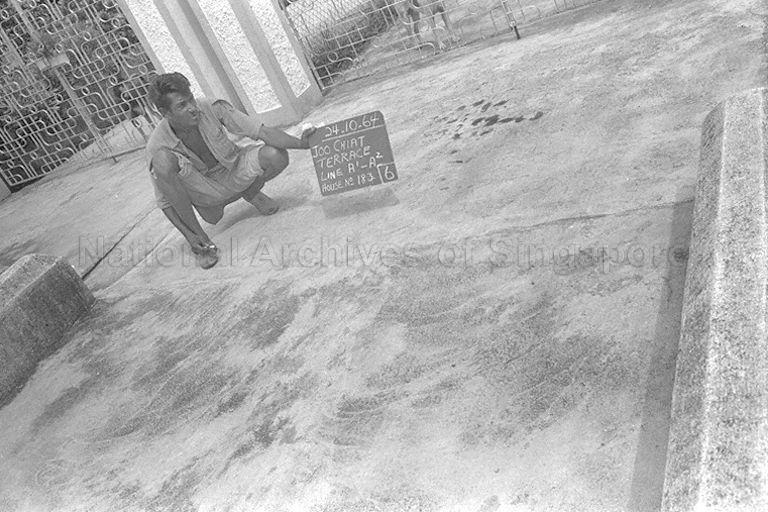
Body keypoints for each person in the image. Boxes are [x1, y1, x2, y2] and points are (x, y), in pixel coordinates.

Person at [145, 72, 315, 269]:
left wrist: (302, 144)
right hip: (205, 192)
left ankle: (251, 191)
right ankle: (202, 242)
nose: (192, 108)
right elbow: (165, 203)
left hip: (233, 170)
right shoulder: (156, 145)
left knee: (276, 155)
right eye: (182, 105)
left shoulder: (211, 107)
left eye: (191, 99)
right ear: (165, 113)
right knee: (162, 161)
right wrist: (190, 236)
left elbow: (262, 131)